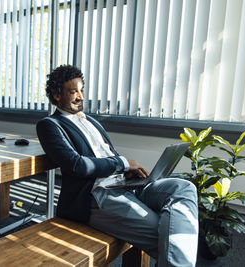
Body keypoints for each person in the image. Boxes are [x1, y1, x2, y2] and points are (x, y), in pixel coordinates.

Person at [36, 65, 198, 267]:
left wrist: (127, 171)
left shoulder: (92, 122)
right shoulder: (50, 125)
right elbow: (77, 165)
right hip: (97, 195)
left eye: (82, 90)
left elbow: (108, 156)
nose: (80, 96)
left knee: (183, 188)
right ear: (56, 95)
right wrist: (123, 163)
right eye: (73, 91)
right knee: (169, 232)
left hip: (124, 185)